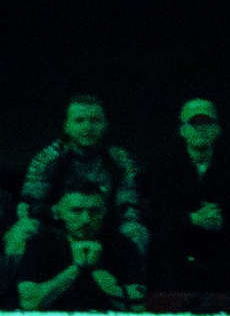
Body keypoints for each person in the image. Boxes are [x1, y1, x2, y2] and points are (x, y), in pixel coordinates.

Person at [7, 94, 146, 280]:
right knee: (21, 231)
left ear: (105, 125)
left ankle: (135, 290)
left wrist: (98, 219)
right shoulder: (47, 159)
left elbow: (130, 208)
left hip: (105, 228)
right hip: (57, 229)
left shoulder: (120, 160)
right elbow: (26, 207)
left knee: (136, 232)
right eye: (79, 120)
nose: (87, 127)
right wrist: (60, 215)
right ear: (67, 126)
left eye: (95, 120)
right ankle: (17, 292)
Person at [147, 98, 230, 308]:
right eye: (194, 124)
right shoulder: (163, 166)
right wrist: (192, 218)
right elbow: (159, 210)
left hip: (220, 242)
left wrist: (219, 218)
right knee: (164, 237)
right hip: (176, 244)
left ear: (217, 129)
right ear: (182, 130)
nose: (200, 129)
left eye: (206, 123)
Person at [17, 181, 141, 312]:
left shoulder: (122, 245)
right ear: (57, 212)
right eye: (76, 211)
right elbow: (29, 303)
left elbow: (138, 305)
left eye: (94, 211)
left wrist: (96, 269)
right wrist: (76, 267)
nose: (86, 219)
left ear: (104, 212)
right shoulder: (42, 244)